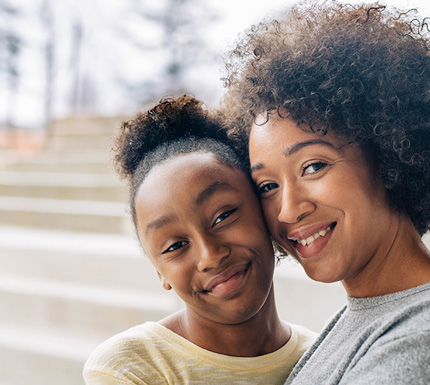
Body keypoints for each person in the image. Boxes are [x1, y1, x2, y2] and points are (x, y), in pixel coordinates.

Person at [220, 1, 430, 384]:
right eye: (268, 186)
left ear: (387, 157)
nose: (287, 210)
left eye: (313, 166)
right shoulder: (371, 311)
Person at [82, 95, 316, 384]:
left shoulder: (323, 355)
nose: (210, 256)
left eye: (223, 216)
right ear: (160, 271)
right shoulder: (132, 368)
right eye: (175, 246)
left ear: (263, 210)